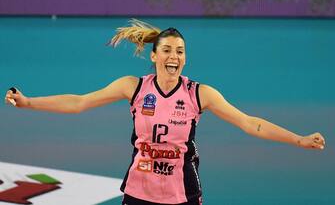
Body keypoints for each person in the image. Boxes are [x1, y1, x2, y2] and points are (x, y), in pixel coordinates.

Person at [4, 19, 326, 205]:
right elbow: (80, 102)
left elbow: (249, 123)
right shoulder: (133, 87)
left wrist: (297, 139)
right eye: (168, 50)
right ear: (154, 56)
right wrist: (30, 102)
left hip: (181, 194)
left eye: (180, 51)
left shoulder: (198, 93)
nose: (175, 56)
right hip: (138, 192)